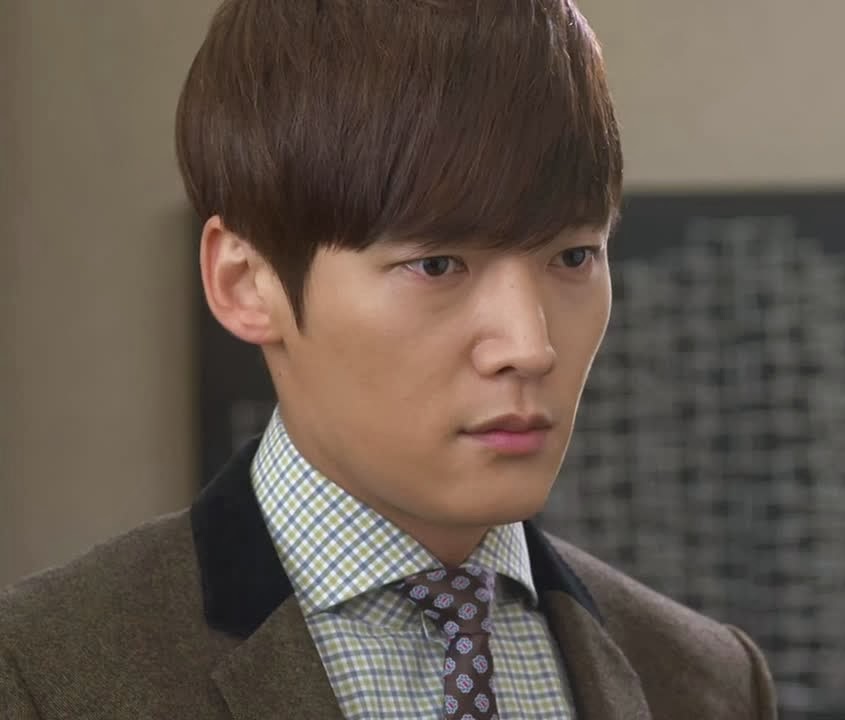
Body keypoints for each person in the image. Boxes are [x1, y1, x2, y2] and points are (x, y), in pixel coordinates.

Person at [0, 1, 778, 718]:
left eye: (573, 256)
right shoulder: (38, 675)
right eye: (437, 265)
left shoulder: (708, 681)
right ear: (245, 282)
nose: (530, 346)